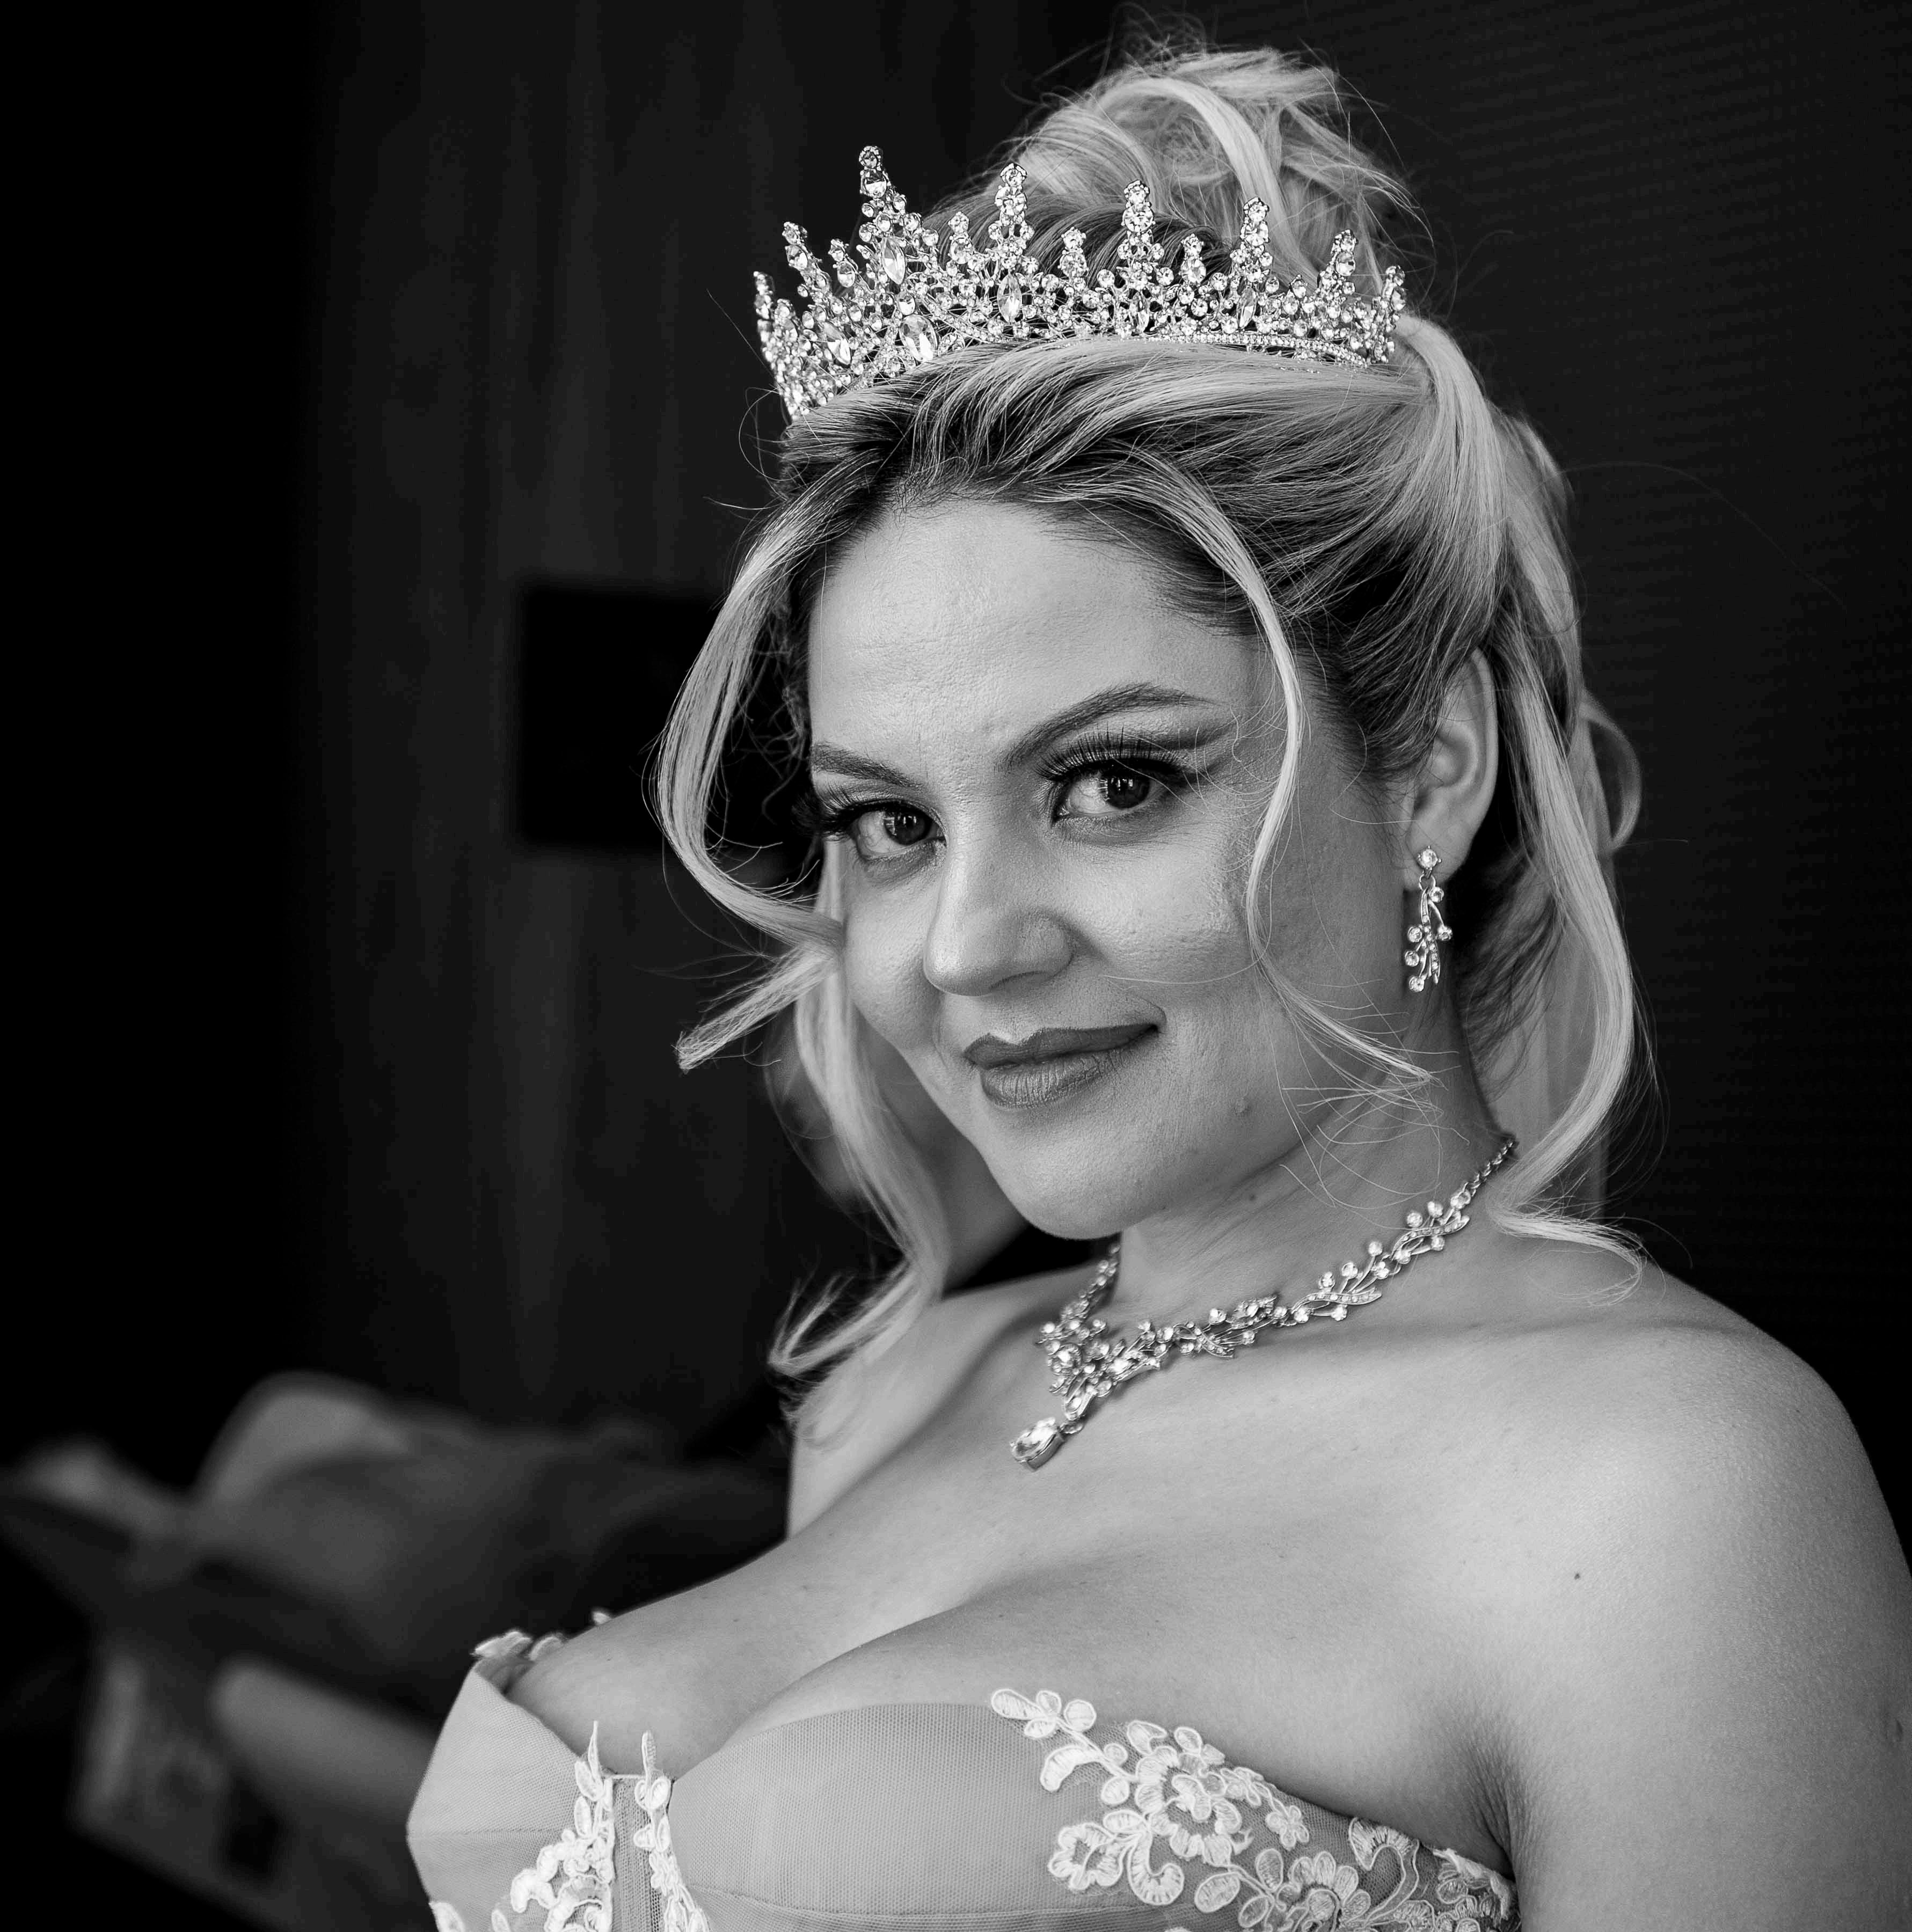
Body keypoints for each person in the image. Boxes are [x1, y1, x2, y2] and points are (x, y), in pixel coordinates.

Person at [408, 39, 1911, 1929]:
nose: (966, 945)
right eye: (889, 823)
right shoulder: (893, 1392)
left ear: (1430, 770)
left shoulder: (1669, 1486)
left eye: (1113, 784)